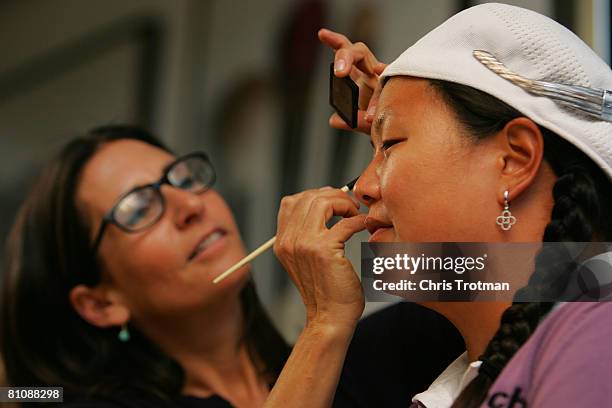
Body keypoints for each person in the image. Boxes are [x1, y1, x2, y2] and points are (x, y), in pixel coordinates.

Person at [275, 3, 612, 408]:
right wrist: (326, 323)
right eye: (373, 149)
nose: (362, 187)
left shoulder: (595, 339)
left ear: (514, 160)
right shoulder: (479, 361)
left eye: (390, 146)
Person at [1, 125, 463, 407]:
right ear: (100, 303)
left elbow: (529, 277)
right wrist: (323, 324)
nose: (189, 204)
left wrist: (408, 138)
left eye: (182, 178)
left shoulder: (368, 357)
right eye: (140, 208)